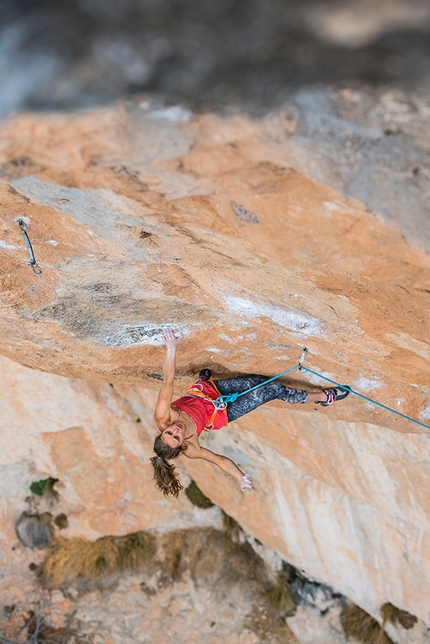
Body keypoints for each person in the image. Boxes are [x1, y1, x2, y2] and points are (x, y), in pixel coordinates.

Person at [150, 329, 350, 497]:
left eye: (169, 432)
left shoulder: (163, 416)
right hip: (222, 412)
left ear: (163, 429)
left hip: (207, 393)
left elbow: (168, 382)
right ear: (182, 444)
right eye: (177, 437)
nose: (176, 430)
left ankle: (203, 380)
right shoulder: (191, 449)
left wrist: (171, 348)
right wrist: (241, 477)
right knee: (272, 390)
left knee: (258, 380)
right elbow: (219, 460)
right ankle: (324, 397)